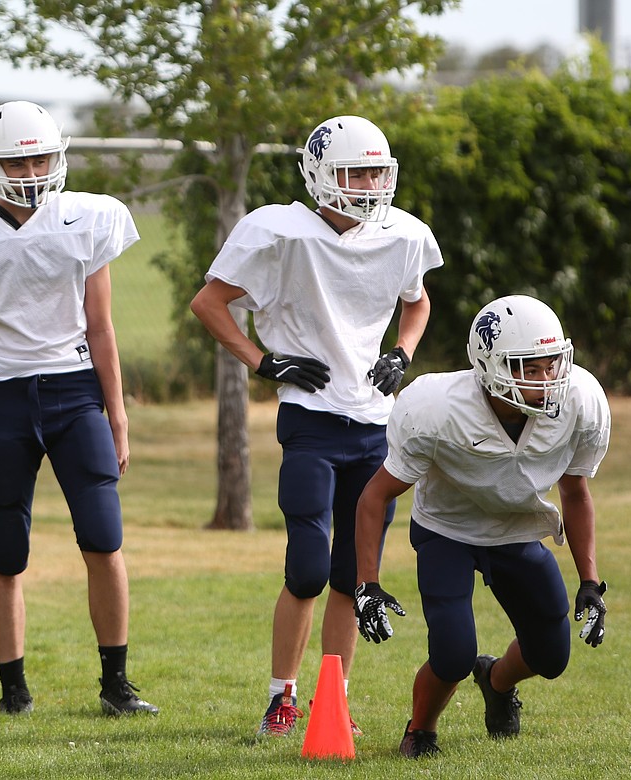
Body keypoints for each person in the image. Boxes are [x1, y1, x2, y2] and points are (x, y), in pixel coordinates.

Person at [189, 115, 443, 737]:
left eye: (376, 172)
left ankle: (335, 697)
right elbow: (208, 302)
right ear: (320, 174)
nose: (367, 184)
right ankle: (281, 697)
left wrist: (404, 351)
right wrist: (262, 360)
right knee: (305, 566)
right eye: (355, 171)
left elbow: (417, 299)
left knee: (351, 577)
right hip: (310, 416)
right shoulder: (280, 231)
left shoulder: (401, 233)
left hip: (375, 422)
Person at [0, 100, 158, 717]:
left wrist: (117, 413)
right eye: (18, 158)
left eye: (42, 156)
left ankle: (116, 683)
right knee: (6, 548)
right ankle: (13, 689)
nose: (31, 169)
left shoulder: (87, 217)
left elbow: (101, 327)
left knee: (104, 538)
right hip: (2, 397)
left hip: (76, 394)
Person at [354, 294, 610, 759]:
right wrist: (366, 584)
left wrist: (590, 581)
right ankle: (421, 729)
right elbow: (375, 495)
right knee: (451, 653)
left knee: (552, 656)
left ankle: (495, 680)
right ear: (490, 365)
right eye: (530, 368)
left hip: (517, 529)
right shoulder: (436, 408)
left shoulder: (582, 400)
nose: (548, 378)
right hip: (446, 529)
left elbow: (575, 493)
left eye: (552, 364)